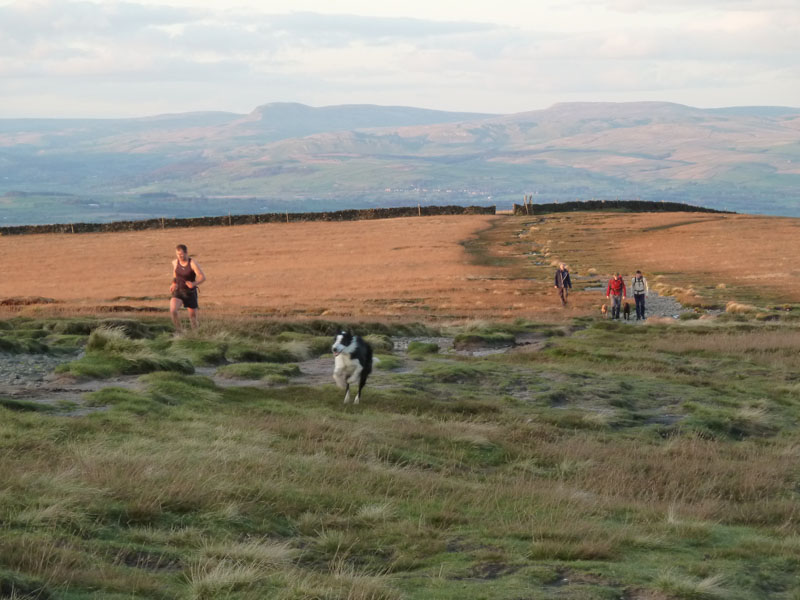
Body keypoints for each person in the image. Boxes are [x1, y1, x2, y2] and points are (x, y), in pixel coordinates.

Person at [170, 244, 206, 331]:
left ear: (186, 253)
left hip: (190, 292)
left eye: (181, 254)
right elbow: (175, 273)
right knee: (173, 310)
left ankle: (195, 335)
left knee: (193, 319)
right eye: (178, 254)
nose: (180, 256)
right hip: (178, 291)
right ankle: (179, 331)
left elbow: (202, 277)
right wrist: (174, 283)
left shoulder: (192, 263)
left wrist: (194, 283)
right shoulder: (175, 262)